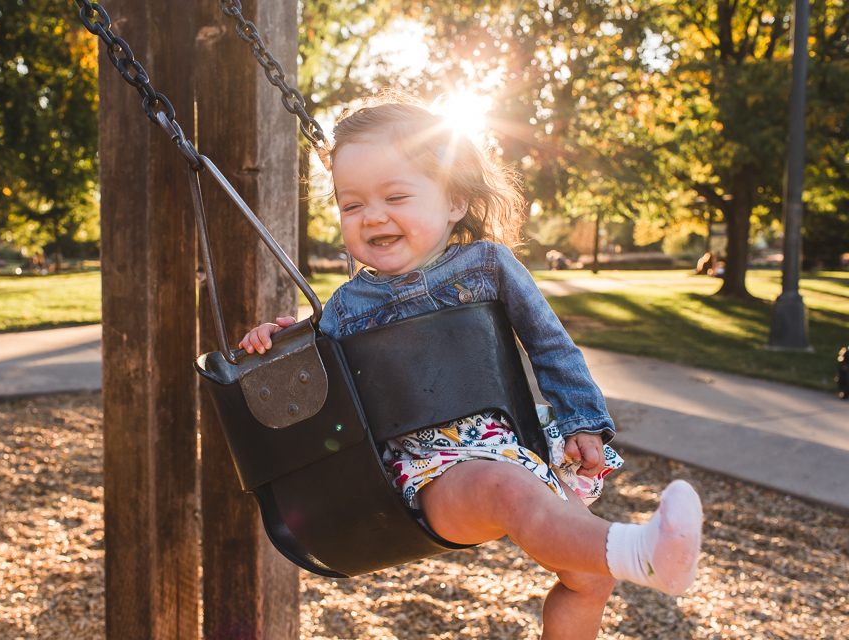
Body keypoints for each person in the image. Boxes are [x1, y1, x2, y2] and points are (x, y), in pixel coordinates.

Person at [239, 98, 703, 639]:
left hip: (515, 448)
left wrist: (582, 422)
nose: (373, 216)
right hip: (422, 475)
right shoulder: (345, 307)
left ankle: (631, 561)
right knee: (505, 490)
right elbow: (312, 385)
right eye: (351, 205)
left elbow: (549, 345)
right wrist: (276, 342)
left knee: (589, 582)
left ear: (454, 199)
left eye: (396, 196)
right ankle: (643, 555)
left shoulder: (488, 265)